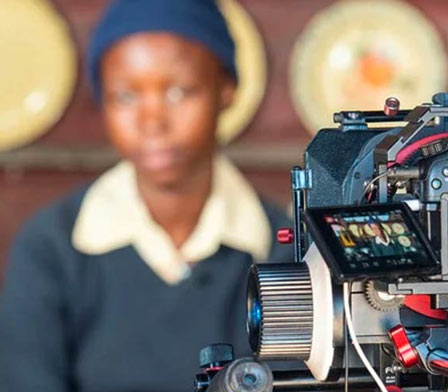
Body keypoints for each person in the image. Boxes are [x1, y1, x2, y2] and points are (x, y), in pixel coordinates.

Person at [0, 1, 293, 391]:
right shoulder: (51, 250)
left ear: (226, 91)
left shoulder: (283, 252)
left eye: (178, 91)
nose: (152, 121)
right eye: (125, 96)